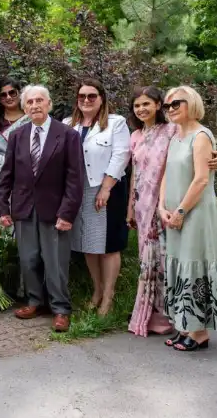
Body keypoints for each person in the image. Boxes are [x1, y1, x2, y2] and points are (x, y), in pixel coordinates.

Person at [126, 86, 217, 337]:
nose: (142, 109)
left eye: (147, 103)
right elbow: (137, 173)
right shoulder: (141, 135)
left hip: (179, 208)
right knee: (160, 264)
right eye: (137, 105)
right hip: (148, 207)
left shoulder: (172, 130)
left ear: (157, 105)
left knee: (175, 263)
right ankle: (165, 319)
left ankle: (181, 323)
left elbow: (200, 155)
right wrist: (135, 207)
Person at [0, 85, 83, 332]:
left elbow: (75, 179)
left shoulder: (67, 135)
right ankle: (35, 301)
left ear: (49, 104)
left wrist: (67, 213)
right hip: (24, 208)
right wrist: (3, 208)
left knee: (55, 261)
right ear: (25, 108)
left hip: (55, 210)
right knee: (29, 258)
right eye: (30, 102)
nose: (34, 105)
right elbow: (7, 175)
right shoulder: (18, 135)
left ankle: (60, 309)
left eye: (39, 101)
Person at [158, 86, 217, 352]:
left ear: (190, 103)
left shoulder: (201, 136)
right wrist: (161, 206)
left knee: (195, 265)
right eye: (167, 105)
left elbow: (202, 179)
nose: (170, 109)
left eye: (175, 104)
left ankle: (200, 332)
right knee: (180, 265)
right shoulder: (175, 136)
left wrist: (180, 211)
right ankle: (186, 325)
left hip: (195, 213)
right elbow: (167, 174)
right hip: (174, 214)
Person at [64, 78, 131, 316]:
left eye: (92, 96)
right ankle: (97, 290)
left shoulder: (116, 123)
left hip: (107, 190)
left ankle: (109, 298)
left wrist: (106, 187)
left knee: (109, 245)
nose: (86, 100)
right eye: (82, 96)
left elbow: (122, 155)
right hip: (78, 191)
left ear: (101, 99)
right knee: (88, 245)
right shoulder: (68, 124)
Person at [0, 77, 30, 220]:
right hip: (3, 174)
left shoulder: (30, 118)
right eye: (3, 94)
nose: (8, 97)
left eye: (12, 93)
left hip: (28, 174)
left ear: (19, 93)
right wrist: (2, 160)